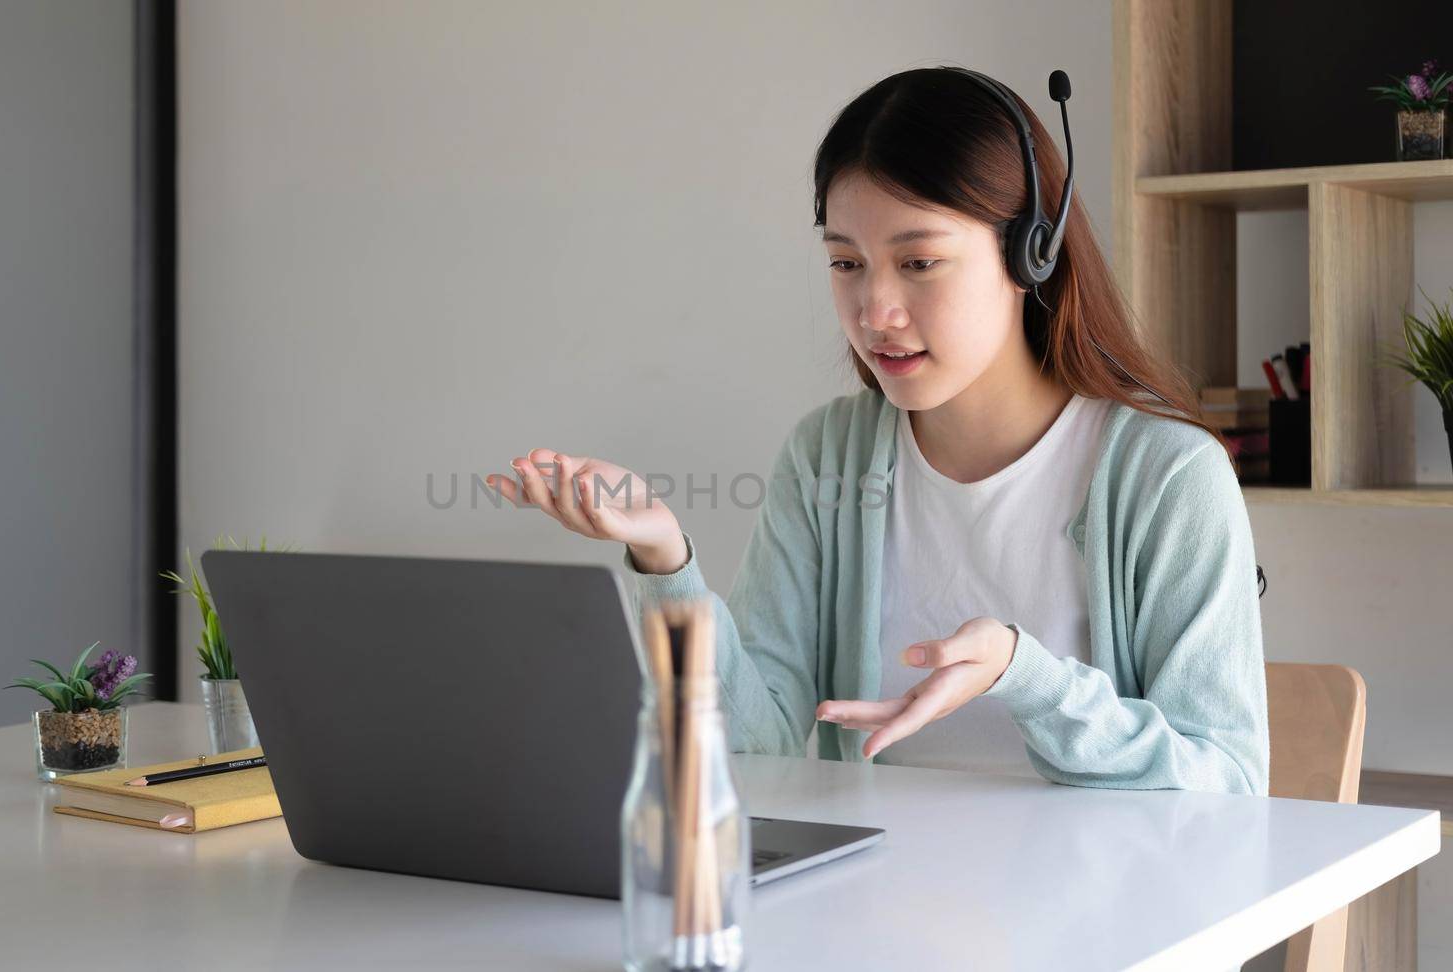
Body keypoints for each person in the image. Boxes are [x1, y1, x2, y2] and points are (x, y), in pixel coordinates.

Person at [484, 66, 1269, 795]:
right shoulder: (827, 455)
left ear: (1033, 252)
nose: (874, 312)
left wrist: (1027, 677)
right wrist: (665, 560)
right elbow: (758, 742)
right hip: (864, 917)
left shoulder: (1166, 476)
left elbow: (1230, 783)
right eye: (846, 263)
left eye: (918, 263)